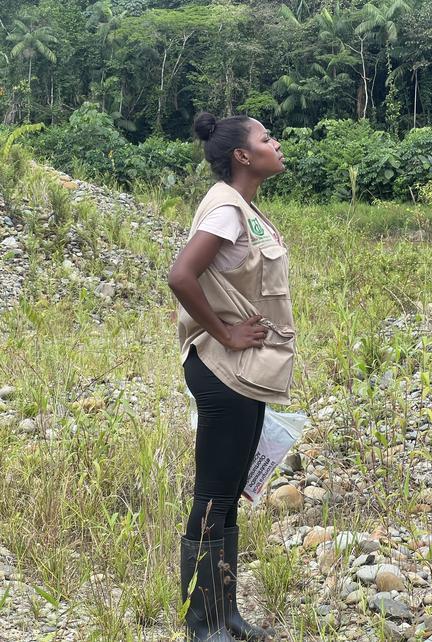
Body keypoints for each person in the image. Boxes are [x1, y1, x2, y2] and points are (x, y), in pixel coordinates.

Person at [168, 112, 296, 641]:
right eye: (266, 138)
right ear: (243, 156)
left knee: (230, 493)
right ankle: (204, 624)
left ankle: (227, 615)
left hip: (245, 373)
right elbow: (180, 274)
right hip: (224, 372)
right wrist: (223, 332)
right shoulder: (225, 207)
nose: (276, 143)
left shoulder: (244, 207)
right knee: (214, 494)